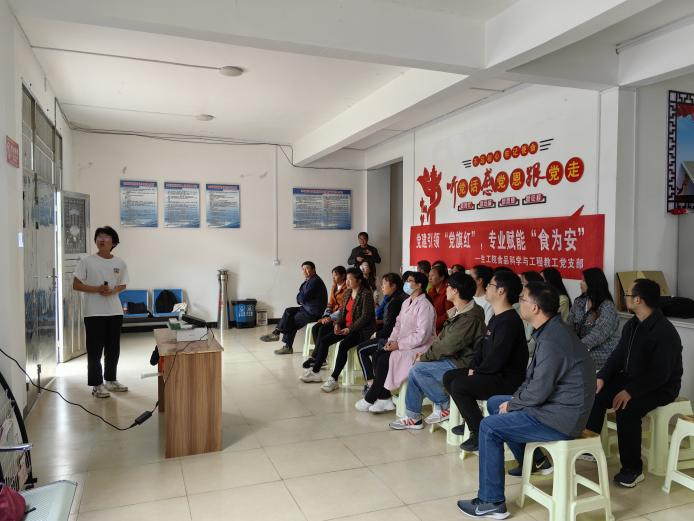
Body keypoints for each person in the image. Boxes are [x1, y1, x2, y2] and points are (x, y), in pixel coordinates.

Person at [456, 282, 596, 519]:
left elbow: (538, 390)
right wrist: (513, 400)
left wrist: (513, 404)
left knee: (489, 427)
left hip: (560, 418)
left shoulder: (553, 340)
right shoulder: (549, 331)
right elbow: (533, 380)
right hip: (553, 406)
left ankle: (491, 501)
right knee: (495, 403)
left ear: (535, 308)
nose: (518, 302)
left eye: (523, 299)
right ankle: (533, 462)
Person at [586, 279, 683, 488]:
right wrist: (602, 377)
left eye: (628, 294)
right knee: (596, 392)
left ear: (638, 300)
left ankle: (632, 469)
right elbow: (618, 355)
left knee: (626, 407)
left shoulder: (664, 332)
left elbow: (660, 374)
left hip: (661, 387)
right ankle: (589, 445)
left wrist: (629, 392)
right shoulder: (632, 324)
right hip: (632, 378)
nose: (625, 297)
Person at [443, 270, 528, 451]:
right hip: (491, 372)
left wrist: (477, 372)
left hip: (506, 379)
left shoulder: (510, 321)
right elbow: (481, 347)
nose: (487, 288)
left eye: (490, 284)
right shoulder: (497, 317)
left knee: (460, 385)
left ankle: (479, 432)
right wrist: (473, 367)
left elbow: (498, 358)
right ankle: (471, 420)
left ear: (501, 291)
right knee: (449, 377)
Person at [389, 272, 486, 430]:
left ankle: (443, 405)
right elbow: (442, 340)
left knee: (418, 369)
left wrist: (425, 356)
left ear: (455, 291)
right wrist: (426, 355)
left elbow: (449, 345)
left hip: (463, 362)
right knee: (415, 369)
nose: (446, 289)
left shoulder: (470, 317)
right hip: (452, 357)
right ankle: (413, 417)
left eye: (448, 286)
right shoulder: (460, 311)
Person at [73, 226, 129, 398]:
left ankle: (111, 380)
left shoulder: (120, 263)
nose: (101, 239)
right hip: (94, 313)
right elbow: (76, 285)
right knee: (95, 351)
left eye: (106, 237)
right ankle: (97, 384)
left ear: (114, 242)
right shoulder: (87, 261)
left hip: (114, 311)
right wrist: (97, 289)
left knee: (113, 349)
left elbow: (123, 284)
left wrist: (113, 290)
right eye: (99, 237)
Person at [300, 268, 376, 392]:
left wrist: (349, 329)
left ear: (359, 281)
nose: (347, 282)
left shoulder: (366, 294)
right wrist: (337, 324)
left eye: (350, 279)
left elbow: (365, 317)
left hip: (361, 330)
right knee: (324, 340)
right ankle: (316, 372)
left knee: (343, 345)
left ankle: (334, 379)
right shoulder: (348, 293)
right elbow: (342, 313)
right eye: (347, 279)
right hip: (346, 327)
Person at [354, 273, 413, 412]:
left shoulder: (397, 301)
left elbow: (391, 328)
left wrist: (377, 334)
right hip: (393, 337)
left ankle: (373, 388)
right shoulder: (392, 299)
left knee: (363, 350)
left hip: (395, 340)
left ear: (393, 286)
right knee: (376, 354)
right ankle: (382, 395)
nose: (381, 287)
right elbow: (394, 324)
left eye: (384, 284)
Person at [261, 261, 327, 355]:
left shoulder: (315, 281)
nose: (305, 271)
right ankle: (277, 332)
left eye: (307, 268)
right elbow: (299, 297)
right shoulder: (309, 280)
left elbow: (302, 298)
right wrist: (301, 298)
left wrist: (301, 298)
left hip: (312, 313)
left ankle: (286, 345)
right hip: (306, 308)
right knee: (288, 311)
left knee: (290, 322)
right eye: (303, 269)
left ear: (313, 270)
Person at [567, 267, 620, 371]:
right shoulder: (579, 302)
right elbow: (569, 326)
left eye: (583, 281)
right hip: (582, 348)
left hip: (603, 351)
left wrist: (576, 348)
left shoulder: (607, 307)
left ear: (592, 283)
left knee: (573, 361)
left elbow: (598, 334)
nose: (580, 283)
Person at [309, 266, 349, 347]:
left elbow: (343, 308)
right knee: (314, 329)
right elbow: (330, 304)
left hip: (340, 317)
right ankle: (318, 350)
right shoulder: (334, 286)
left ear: (343, 276)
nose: (333, 278)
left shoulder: (347, 288)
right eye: (332, 276)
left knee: (322, 329)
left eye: (336, 275)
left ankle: (318, 352)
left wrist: (330, 317)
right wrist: (326, 316)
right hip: (331, 315)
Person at [428, 264, 454, 334]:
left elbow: (449, 315)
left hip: (442, 331)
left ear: (442, 277)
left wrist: (433, 324)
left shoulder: (448, 292)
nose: (429, 278)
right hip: (430, 328)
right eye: (429, 276)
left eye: (432, 276)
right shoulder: (431, 291)